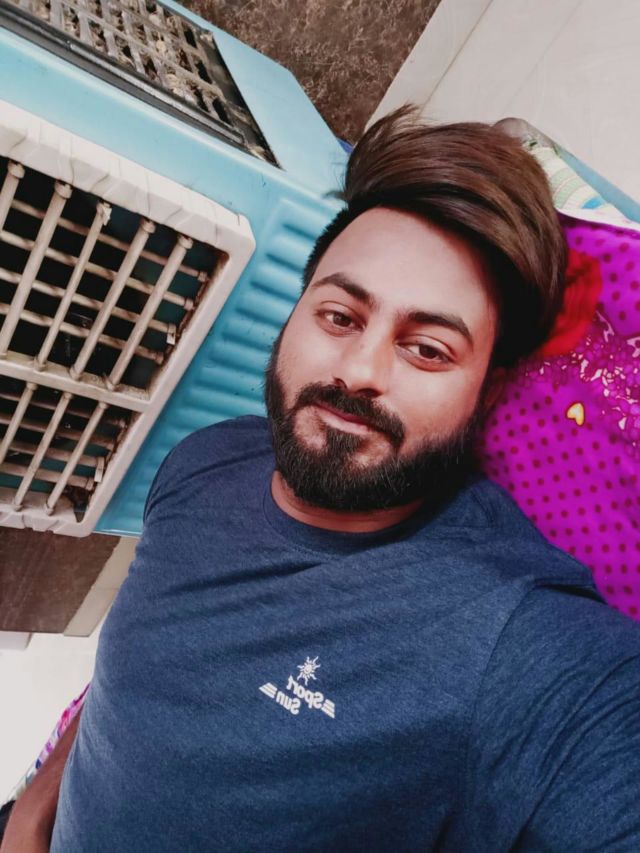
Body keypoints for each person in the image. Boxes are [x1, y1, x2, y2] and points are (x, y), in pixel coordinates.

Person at [4, 106, 640, 852]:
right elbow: (136, 674)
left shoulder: (526, 649)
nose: (359, 370)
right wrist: (34, 808)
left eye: (427, 348)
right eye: (339, 316)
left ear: (487, 390)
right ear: (295, 314)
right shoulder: (206, 460)